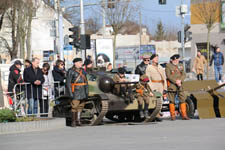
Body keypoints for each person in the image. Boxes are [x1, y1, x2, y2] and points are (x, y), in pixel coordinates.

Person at [165, 54, 190, 120]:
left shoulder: (180, 65)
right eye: (175, 60)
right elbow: (168, 76)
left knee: (182, 98)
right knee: (172, 100)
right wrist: (176, 81)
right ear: (172, 60)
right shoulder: (168, 66)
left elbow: (184, 74)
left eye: (177, 60)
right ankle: (173, 115)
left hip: (180, 84)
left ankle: (184, 115)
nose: (176, 61)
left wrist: (180, 80)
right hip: (172, 85)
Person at [66, 58, 88, 127]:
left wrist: (87, 91)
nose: (81, 64)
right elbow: (68, 83)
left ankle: (78, 120)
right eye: (80, 62)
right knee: (74, 106)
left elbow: (86, 82)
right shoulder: (71, 71)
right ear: (75, 63)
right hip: (75, 91)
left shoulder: (83, 71)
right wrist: (70, 93)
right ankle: (73, 121)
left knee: (81, 106)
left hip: (82, 91)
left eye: (81, 62)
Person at [146, 54, 167, 122]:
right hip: (154, 84)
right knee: (155, 100)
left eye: (157, 58)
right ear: (152, 60)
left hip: (160, 84)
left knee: (160, 100)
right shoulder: (149, 67)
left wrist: (165, 88)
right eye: (155, 58)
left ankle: (158, 113)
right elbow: (148, 78)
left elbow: (164, 78)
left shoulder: (160, 67)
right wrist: (150, 88)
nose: (157, 59)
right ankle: (156, 114)